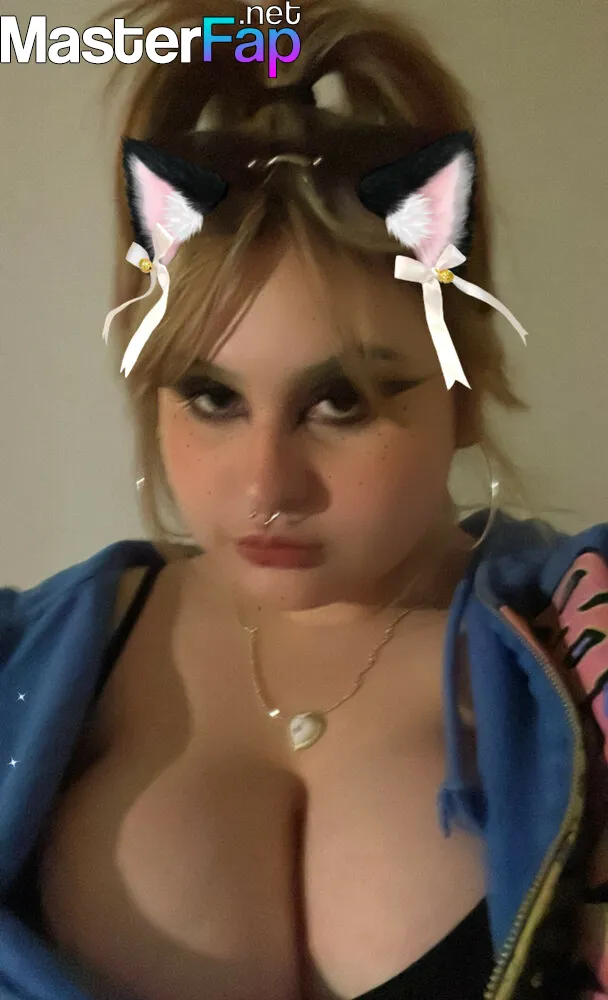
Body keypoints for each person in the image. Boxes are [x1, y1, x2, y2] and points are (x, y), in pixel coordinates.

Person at [0, 1, 606, 998]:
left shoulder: (582, 656)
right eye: (212, 398)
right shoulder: (25, 664)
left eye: (341, 401)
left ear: (462, 388)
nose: (266, 485)